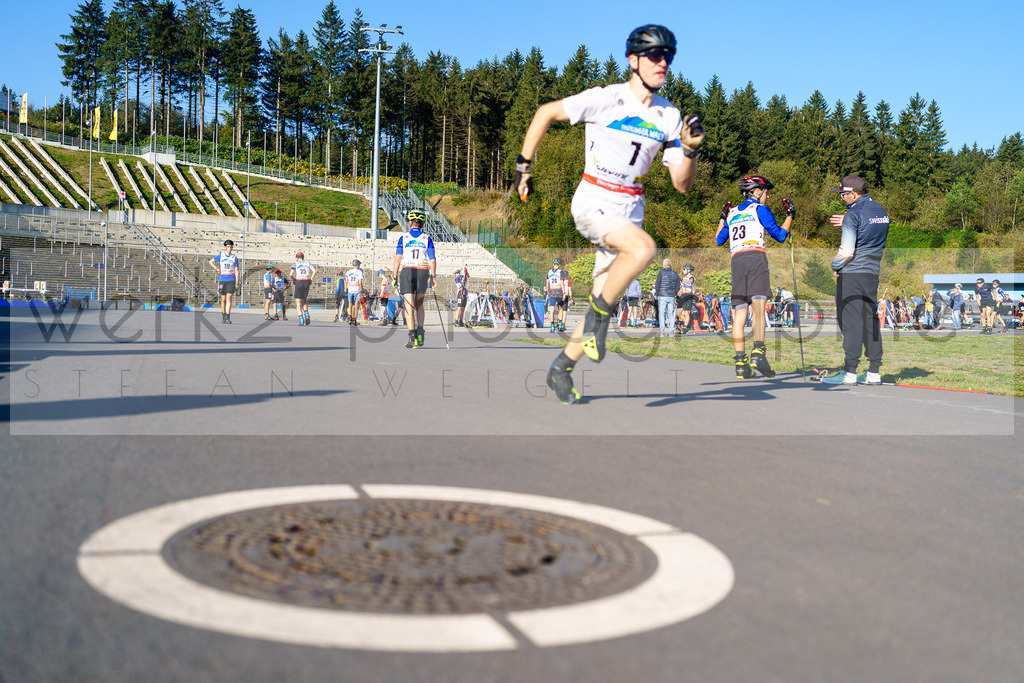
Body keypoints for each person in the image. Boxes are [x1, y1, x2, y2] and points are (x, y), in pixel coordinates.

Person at [515, 24, 702, 403]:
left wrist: (690, 150)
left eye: (668, 56)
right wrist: (524, 166)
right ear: (633, 60)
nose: (663, 63)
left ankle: (561, 368)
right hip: (593, 199)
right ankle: (597, 320)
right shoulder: (605, 98)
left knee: (605, 294)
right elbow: (545, 112)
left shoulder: (669, 115)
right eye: (655, 55)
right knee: (644, 250)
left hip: (631, 209)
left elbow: (682, 184)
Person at [716, 175, 792, 378]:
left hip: (737, 261)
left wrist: (722, 217)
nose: (768, 196)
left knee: (739, 313)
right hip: (755, 257)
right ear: (757, 192)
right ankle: (758, 352)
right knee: (758, 307)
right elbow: (780, 236)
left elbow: (718, 240)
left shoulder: (732, 213)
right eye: (766, 192)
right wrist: (790, 216)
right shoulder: (759, 209)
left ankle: (741, 364)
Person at [824, 175, 890, 385]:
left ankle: (849, 372)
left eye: (843, 195)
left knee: (851, 322)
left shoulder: (853, 214)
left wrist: (835, 266)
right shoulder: (881, 211)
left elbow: (846, 252)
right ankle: (874, 372)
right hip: (872, 274)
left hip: (852, 274)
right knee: (870, 322)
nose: (841, 198)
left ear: (853, 193)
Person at [392, 209, 437, 348]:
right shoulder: (427, 238)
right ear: (422, 224)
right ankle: (420, 334)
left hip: (408, 271)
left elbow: (397, 259)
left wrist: (394, 277)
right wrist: (433, 277)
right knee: (419, 305)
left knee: (409, 306)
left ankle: (412, 339)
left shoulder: (404, 237)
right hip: (422, 271)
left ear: (410, 223)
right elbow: (432, 260)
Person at [209, 239, 239, 324]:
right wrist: (217, 268)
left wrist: (237, 282)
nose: (229, 248)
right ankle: (223, 314)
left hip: (231, 279)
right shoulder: (221, 256)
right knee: (223, 299)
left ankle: (227, 317)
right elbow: (211, 261)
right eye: (228, 247)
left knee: (229, 298)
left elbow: (236, 270)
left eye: (231, 247)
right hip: (222, 279)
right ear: (225, 247)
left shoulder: (234, 258)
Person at [653, 259, 680, 337]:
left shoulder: (661, 273)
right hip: (671, 295)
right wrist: (675, 293)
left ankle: (662, 331)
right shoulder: (675, 274)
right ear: (670, 265)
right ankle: (671, 331)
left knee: (662, 314)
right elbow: (678, 286)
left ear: (663, 265)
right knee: (671, 314)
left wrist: (657, 293)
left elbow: (657, 284)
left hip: (662, 295)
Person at [290, 251, 316, 326]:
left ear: (296, 257)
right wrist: (311, 279)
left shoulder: (295, 264)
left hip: (299, 281)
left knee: (298, 303)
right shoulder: (308, 263)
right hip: (306, 282)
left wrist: (294, 279)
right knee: (304, 301)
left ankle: (301, 319)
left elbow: (291, 274)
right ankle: (307, 315)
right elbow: (314, 271)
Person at [545, 258, 571, 332]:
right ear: (559, 265)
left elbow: (547, 284)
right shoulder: (561, 272)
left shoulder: (549, 272)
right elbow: (562, 283)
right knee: (560, 309)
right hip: (559, 291)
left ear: (553, 264)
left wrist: (548, 293)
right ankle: (560, 325)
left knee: (552, 310)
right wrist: (564, 293)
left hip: (552, 291)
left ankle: (552, 326)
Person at [344, 259, 365, 326]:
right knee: (356, 305)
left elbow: (346, 282)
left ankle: (349, 317)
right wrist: (362, 290)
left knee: (350, 304)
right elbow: (360, 283)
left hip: (350, 289)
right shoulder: (359, 272)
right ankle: (354, 319)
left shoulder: (349, 272)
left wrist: (345, 290)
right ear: (357, 265)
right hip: (357, 290)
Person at [677, 263, 696, 333]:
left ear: (688, 270)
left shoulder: (691, 277)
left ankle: (685, 327)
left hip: (688, 295)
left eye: (684, 269)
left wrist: (682, 279)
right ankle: (688, 324)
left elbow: (690, 282)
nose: (683, 270)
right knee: (677, 312)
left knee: (686, 312)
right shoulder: (684, 278)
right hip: (682, 295)